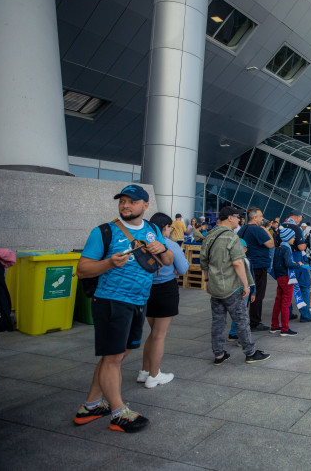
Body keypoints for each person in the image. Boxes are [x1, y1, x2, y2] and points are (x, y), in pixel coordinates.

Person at [74, 184, 173, 433]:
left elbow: (168, 261)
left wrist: (163, 249)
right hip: (111, 301)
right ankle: (118, 413)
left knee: (117, 354)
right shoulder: (104, 232)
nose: (126, 206)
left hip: (139, 301)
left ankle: (91, 405)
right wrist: (108, 263)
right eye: (122, 201)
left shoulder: (152, 230)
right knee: (114, 358)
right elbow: (83, 269)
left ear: (145, 206)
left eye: (132, 201)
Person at [200, 206, 270, 366]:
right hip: (232, 287)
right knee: (241, 320)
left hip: (215, 286)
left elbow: (203, 261)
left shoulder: (210, 235)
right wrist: (246, 285)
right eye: (237, 217)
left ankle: (218, 354)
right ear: (230, 218)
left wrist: (207, 281)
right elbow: (238, 262)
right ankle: (250, 352)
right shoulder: (232, 238)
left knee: (218, 322)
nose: (239, 220)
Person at [137, 212, 189, 389]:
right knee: (159, 335)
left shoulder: (141, 243)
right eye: (170, 228)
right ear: (165, 227)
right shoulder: (170, 245)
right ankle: (154, 375)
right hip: (166, 290)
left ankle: (145, 371)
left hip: (146, 290)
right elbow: (182, 269)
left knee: (153, 334)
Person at [238, 208, 275, 331]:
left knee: (247, 293)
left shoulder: (242, 229)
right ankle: (255, 322)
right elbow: (271, 244)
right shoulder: (257, 229)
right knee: (258, 295)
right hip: (258, 266)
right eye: (261, 216)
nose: (263, 218)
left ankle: (242, 321)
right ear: (254, 218)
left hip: (246, 265)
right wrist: (266, 230)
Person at [283, 210, 311, 323]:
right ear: (297, 217)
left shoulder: (282, 226)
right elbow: (301, 247)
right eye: (301, 217)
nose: (301, 220)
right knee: (304, 285)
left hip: (284, 257)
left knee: (287, 287)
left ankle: (287, 313)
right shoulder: (296, 228)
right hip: (297, 258)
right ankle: (305, 315)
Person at [270, 227, 303, 336]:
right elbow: (288, 264)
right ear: (288, 237)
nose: (294, 239)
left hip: (280, 277)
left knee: (278, 301)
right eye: (293, 237)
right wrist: (298, 264)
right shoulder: (287, 249)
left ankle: (274, 325)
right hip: (287, 277)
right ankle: (285, 328)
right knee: (286, 303)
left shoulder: (278, 248)